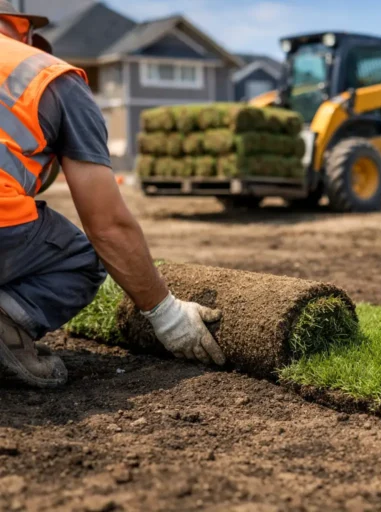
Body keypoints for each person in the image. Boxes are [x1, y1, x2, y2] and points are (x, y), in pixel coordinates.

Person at [0, 1, 226, 389]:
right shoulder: (47, 75)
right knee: (78, 258)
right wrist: (166, 314)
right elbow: (107, 226)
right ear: (25, 31)